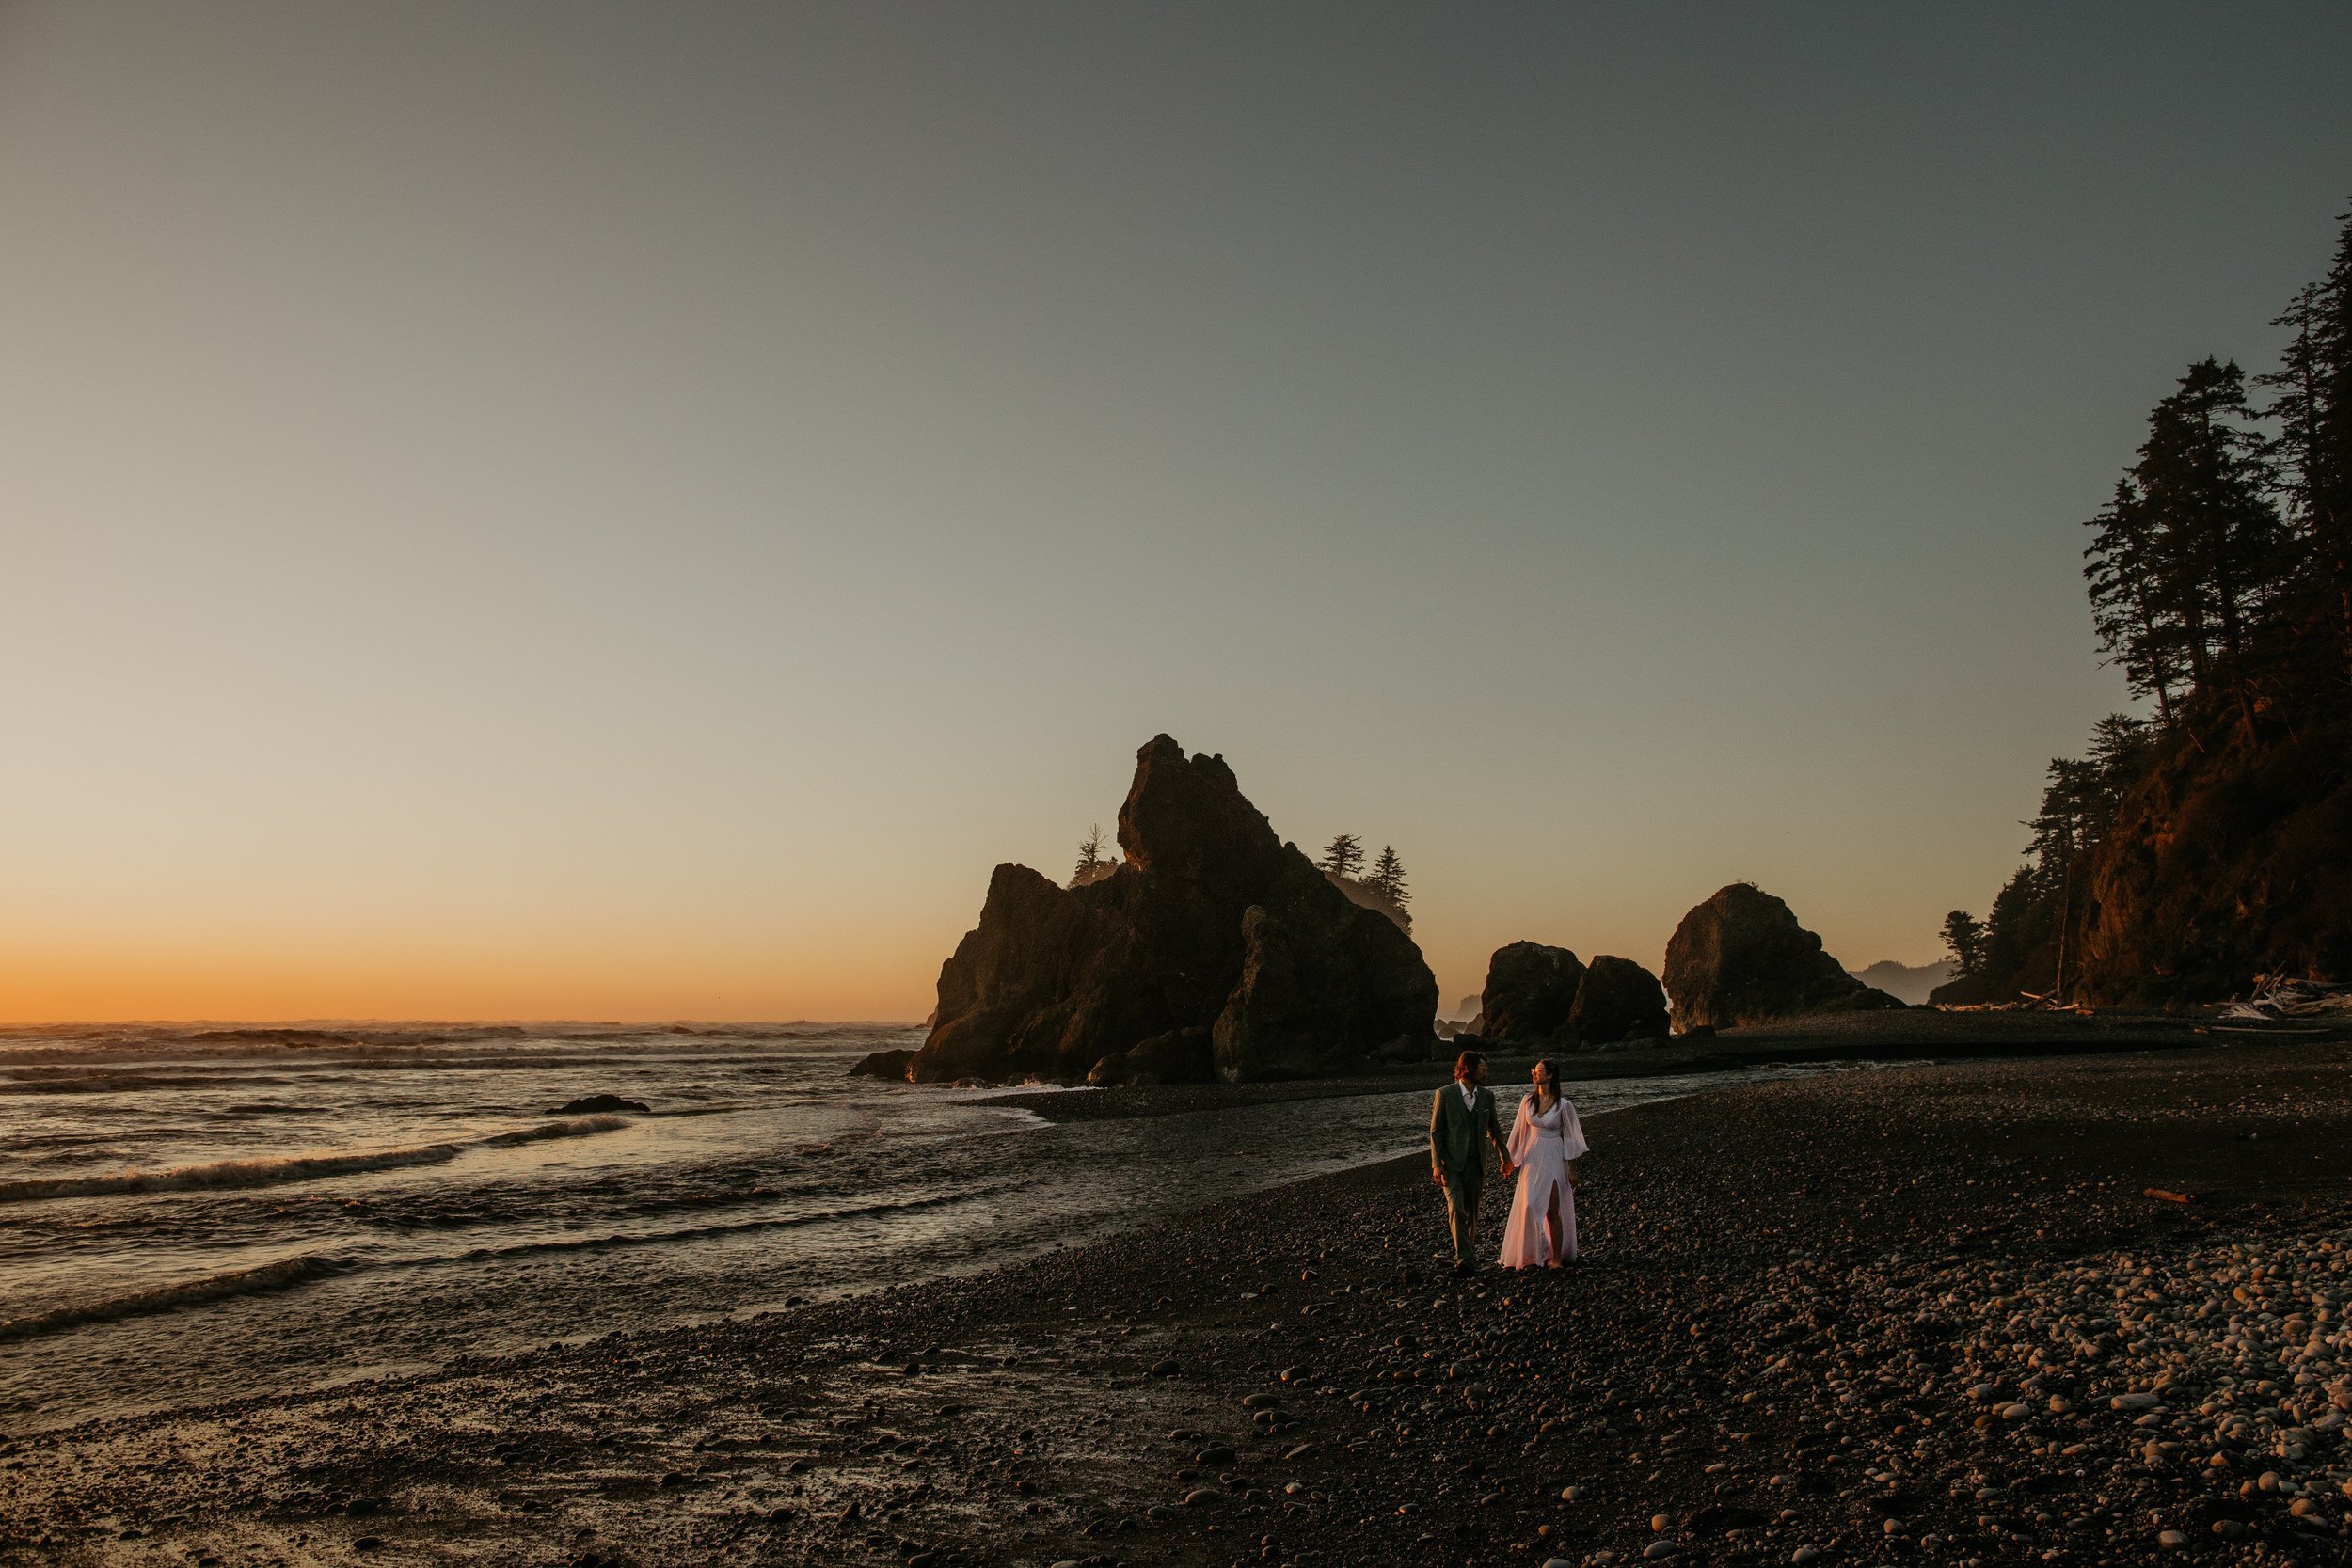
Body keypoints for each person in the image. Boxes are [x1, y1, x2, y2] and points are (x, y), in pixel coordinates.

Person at [1429, 1050, 1512, 1276]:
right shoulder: (1444, 1094)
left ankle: (1466, 1255)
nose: (1486, 1073)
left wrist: (1505, 1157)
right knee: (1456, 1207)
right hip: (1451, 1164)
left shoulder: (1487, 1096)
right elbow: (1436, 1132)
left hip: (1477, 1163)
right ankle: (1465, 1259)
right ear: (1469, 1069)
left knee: (1472, 1212)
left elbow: (1494, 1130)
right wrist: (1436, 1164)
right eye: (1482, 1069)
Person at [1499, 1058, 1588, 1269]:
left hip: (1555, 1156)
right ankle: (1532, 1253)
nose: (1534, 1073)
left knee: (1552, 1209)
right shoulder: (1527, 1102)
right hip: (1533, 1156)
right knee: (1529, 1204)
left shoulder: (1563, 1105)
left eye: (1538, 1071)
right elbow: (1519, 1133)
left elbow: (1571, 1139)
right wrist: (1509, 1160)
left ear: (1550, 1076)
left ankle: (1556, 1257)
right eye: (1533, 1070)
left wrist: (1572, 1170)